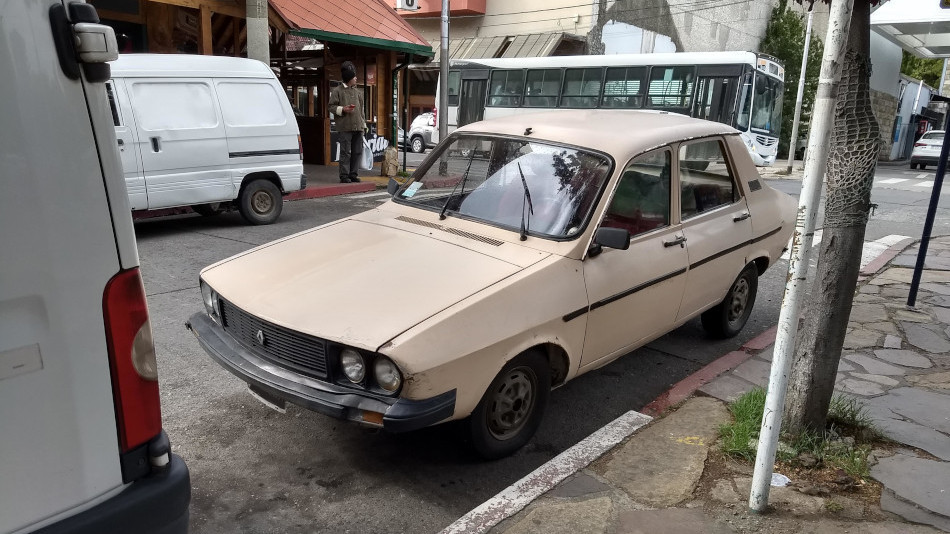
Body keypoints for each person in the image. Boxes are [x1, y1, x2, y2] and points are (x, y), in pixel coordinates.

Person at [329, 61, 368, 183]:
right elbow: (330, 107)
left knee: (357, 151)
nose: (356, 78)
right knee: (345, 152)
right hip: (345, 127)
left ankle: (353, 174)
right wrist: (343, 109)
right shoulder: (337, 91)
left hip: (358, 127)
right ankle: (344, 176)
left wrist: (364, 125)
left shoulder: (358, 92)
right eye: (354, 76)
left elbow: (361, 110)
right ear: (349, 78)